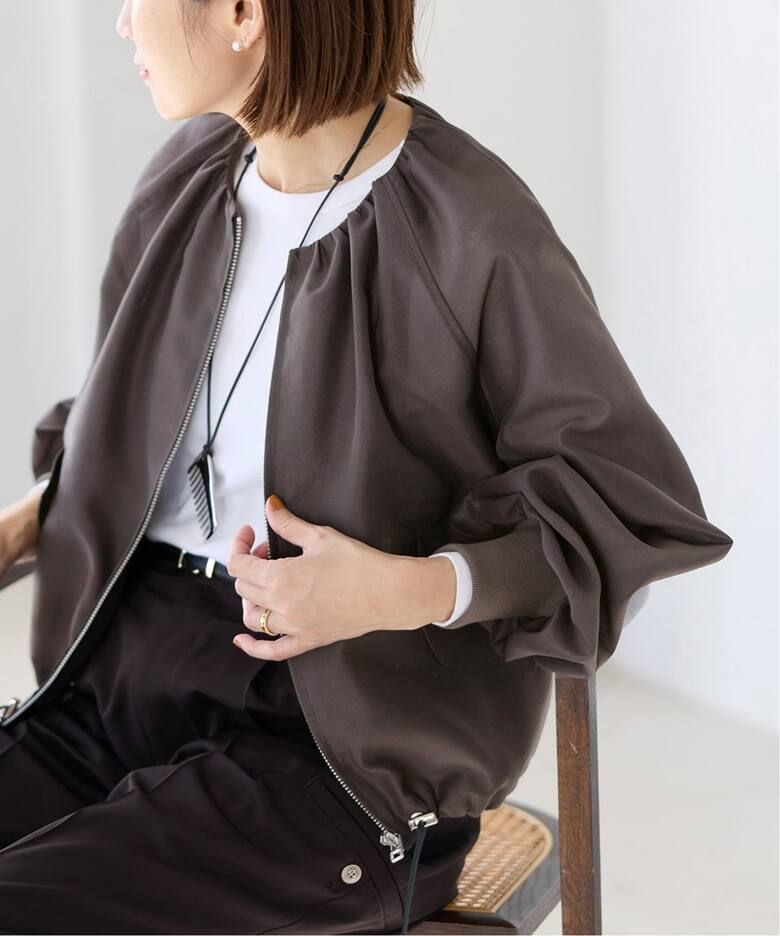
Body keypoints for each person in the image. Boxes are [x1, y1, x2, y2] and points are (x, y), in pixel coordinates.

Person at [0, 0, 734, 933]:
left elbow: (625, 507)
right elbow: (130, 426)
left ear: (243, 13)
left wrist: (400, 591)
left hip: (333, 758)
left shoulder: (473, 228)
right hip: (113, 691)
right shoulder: (186, 180)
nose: (121, 23)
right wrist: (23, 524)